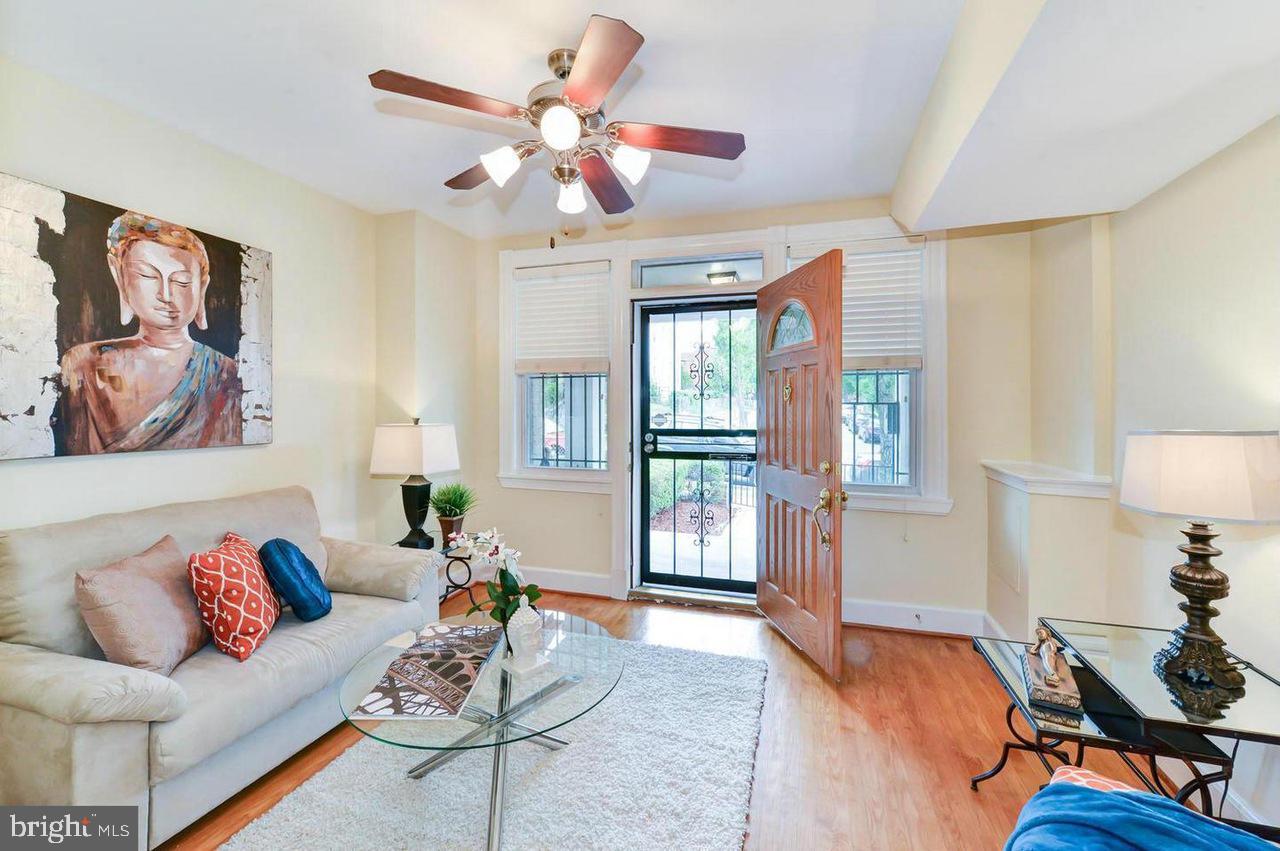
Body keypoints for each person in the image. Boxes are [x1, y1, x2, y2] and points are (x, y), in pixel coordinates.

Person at [60, 212, 241, 454]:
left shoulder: (225, 373)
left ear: (201, 287)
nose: (165, 295)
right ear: (120, 277)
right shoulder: (84, 364)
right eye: (147, 275)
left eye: (182, 282)